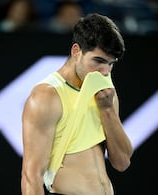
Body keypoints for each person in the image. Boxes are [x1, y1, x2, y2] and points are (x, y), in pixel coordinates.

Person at [21, 13, 134, 195]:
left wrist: (107, 110)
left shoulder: (105, 91)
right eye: (98, 61)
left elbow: (122, 162)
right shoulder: (47, 96)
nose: (104, 72)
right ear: (76, 51)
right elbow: (31, 176)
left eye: (111, 64)